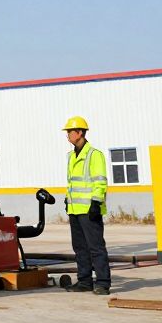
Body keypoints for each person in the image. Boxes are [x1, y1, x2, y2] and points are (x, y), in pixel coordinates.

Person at [62, 116, 110, 295]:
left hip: (90, 210)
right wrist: (68, 200)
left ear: (79, 132)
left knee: (96, 247)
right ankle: (85, 281)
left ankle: (103, 283)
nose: (67, 135)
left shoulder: (94, 155)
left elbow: (100, 182)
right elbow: (73, 183)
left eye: (70, 132)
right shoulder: (71, 156)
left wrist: (96, 203)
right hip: (75, 210)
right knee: (80, 248)